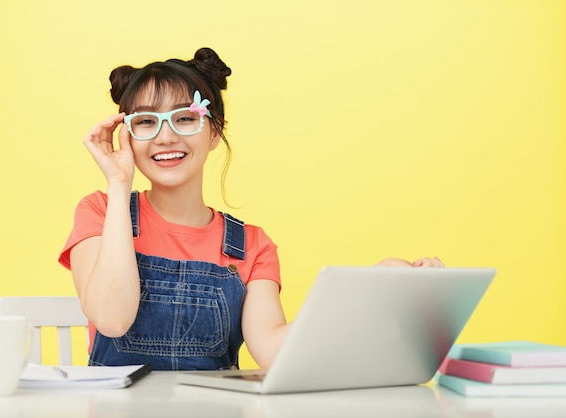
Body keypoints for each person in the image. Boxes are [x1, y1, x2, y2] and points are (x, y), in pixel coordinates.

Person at [59, 47, 444, 371]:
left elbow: (274, 352)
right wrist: (119, 181)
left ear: (214, 131)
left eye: (184, 118)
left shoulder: (252, 246)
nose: (166, 136)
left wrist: (370, 287)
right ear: (125, 134)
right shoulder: (100, 210)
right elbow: (111, 319)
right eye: (147, 122)